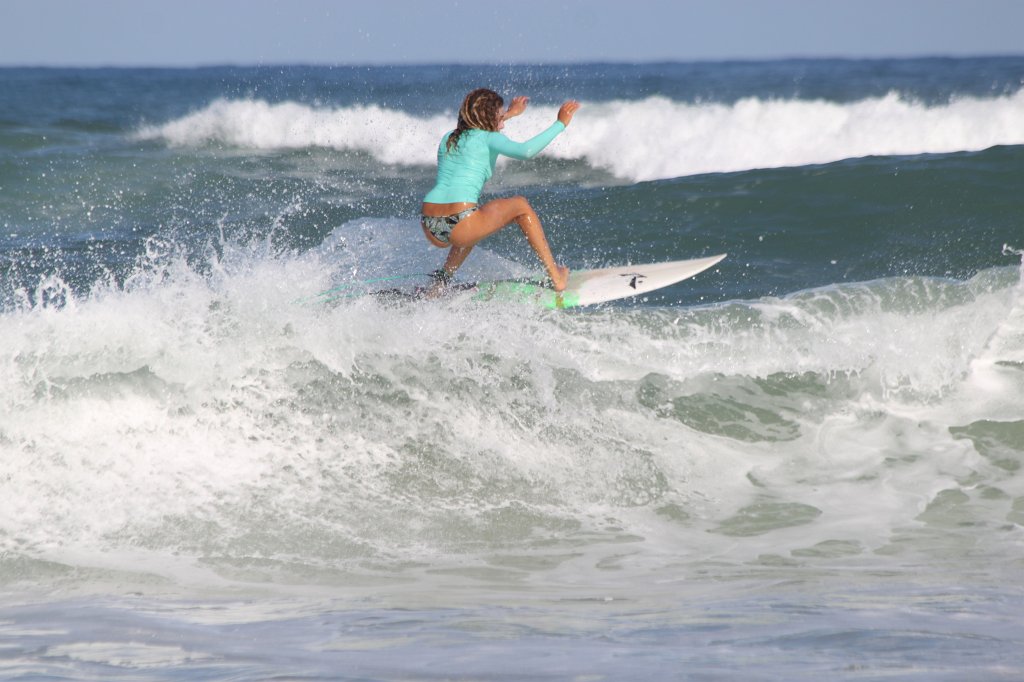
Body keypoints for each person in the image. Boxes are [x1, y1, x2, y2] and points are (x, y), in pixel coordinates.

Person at [421, 88, 580, 292]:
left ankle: (440, 282)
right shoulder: (490, 138)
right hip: (462, 222)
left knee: (478, 218)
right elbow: (526, 151)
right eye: (499, 117)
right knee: (521, 205)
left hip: (429, 222)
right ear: (489, 118)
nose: (502, 124)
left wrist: (510, 114)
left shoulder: (449, 138)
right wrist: (560, 124)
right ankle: (556, 277)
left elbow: (476, 126)